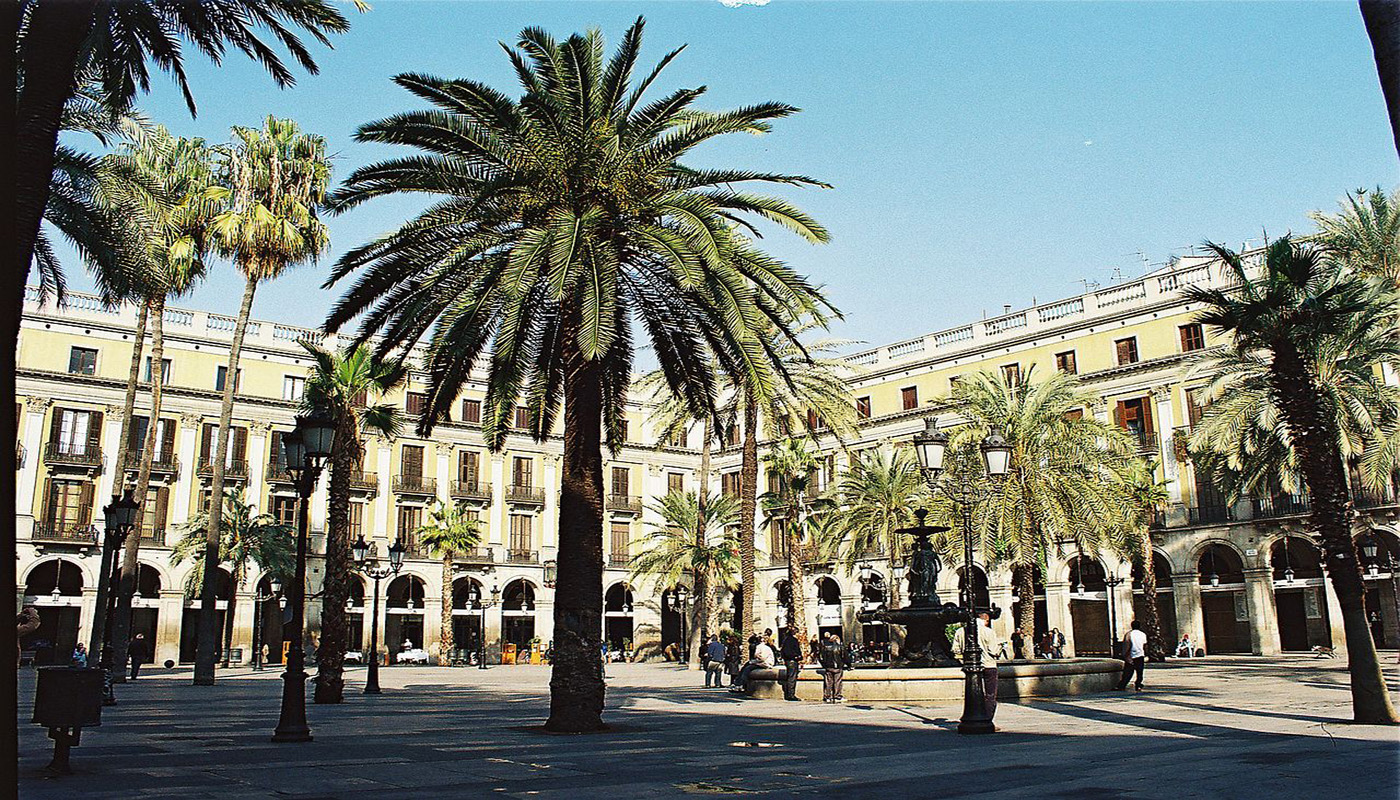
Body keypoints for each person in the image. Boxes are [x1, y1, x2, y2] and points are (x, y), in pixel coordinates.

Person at [957, 611, 1002, 724]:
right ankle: (987, 719)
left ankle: (973, 715)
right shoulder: (988, 632)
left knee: (974, 693)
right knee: (990, 694)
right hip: (988, 665)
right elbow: (993, 651)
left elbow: (956, 649)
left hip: (969, 667)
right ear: (986, 620)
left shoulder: (961, 631)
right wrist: (1000, 647)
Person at [818, 633, 853, 703]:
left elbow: (820, 657)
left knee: (828, 682)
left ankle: (827, 697)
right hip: (838, 667)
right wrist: (849, 665)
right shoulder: (840, 647)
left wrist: (824, 665)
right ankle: (837, 696)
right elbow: (846, 657)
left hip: (829, 667)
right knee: (838, 682)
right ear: (837, 639)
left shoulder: (825, 647)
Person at [1117, 620, 1148, 691]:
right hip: (1140, 655)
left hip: (1131, 655)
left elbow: (1127, 645)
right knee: (1139, 672)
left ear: (1132, 626)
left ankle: (1122, 685)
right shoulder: (1143, 634)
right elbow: (1145, 645)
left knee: (1128, 672)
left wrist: (1125, 655)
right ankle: (1138, 684)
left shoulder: (1129, 634)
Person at [779, 629, 803, 701]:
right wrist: (797, 657)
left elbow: (783, 651)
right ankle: (791, 695)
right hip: (792, 661)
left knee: (790, 677)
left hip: (788, 661)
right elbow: (792, 651)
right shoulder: (793, 640)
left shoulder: (785, 640)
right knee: (792, 678)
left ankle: (789, 694)